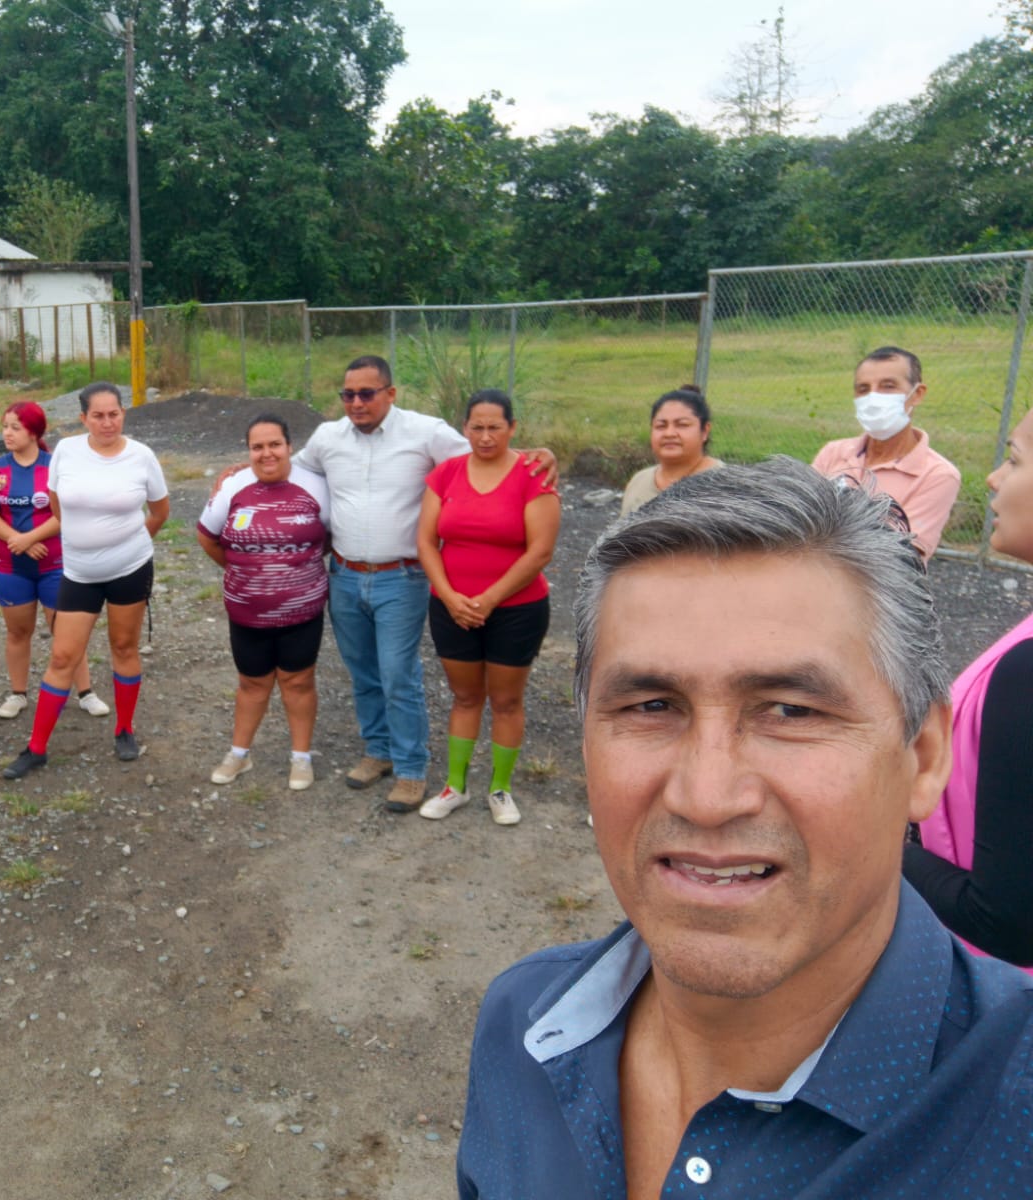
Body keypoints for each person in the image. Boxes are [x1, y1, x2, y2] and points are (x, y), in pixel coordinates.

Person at [455, 459, 1033, 1199]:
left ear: (922, 757)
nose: (707, 797)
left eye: (791, 710)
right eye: (651, 707)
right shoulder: (521, 1024)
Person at [283, 354, 555, 813]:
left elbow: (486, 450)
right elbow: (292, 467)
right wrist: (238, 474)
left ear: (391, 393)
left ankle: (411, 769)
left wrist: (540, 454)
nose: (356, 402)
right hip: (345, 575)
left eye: (366, 393)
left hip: (401, 576)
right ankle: (378, 751)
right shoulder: (328, 437)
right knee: (362, 671)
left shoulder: (426, 433)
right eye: (348, 394)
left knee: (397, 674)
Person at [903, 405, 1033, 968]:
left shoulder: (1027, 669)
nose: (994, 479)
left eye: (1015, 461)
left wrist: (882, 838)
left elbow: (1004, 921)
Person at [2, 382, 170, 779]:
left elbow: (160, 511)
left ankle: (124, 729)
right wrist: (85, 540)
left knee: (123, 646)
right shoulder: (67, 450)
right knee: (63, 656)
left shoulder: (141, 456)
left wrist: (129, 544)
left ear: (123, 414)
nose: (107, 422)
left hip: (130, 569)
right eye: (98, 415)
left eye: (114, 414)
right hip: (78, 573)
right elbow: (57, 503)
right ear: (83, 418)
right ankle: (36, 748)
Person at [416, 391, 559, 824]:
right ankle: (455, 786)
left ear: (512, 428)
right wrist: (449, 596)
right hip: (452, 608)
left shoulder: (533, 475)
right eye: (476, 427)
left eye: (495, 427)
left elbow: (540, 551)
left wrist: (489, 600)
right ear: (464, 428)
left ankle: (500, 789)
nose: (485, 436)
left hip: (516, 610)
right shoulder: (446, 474)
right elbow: (426, 542)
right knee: (464, 697)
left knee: (506, 700)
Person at [196, 413, 331, 792]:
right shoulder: (234, 486)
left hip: (302, 611)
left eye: (275, 444)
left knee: (298, 681)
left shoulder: (316, 486)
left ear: (290, 446)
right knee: (251, 683)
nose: (267, 453)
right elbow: (207, 537)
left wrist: (293, 571)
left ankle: (301, 758)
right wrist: (246, 572)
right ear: (248, 451)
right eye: (257, 447)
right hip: (246, 612)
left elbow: (331, 538)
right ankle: (239, 754)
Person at [0, 401, 108, 721]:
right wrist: (18, 541)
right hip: (10, 566)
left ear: (34, 432)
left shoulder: (55, 465)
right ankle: (17, 694)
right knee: (17, 632)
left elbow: (66, 512)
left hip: (55, 565)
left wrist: (30, 538)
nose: (7, 433)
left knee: (66, 633)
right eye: (4, 426)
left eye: (15, 427)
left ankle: (86, 693)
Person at [811, 345, 961, 560]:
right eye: (863, 389)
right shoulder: (833, 453)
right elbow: (799, 520)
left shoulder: (937, 475)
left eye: (888, 386)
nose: (873, 398)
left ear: (917, 394)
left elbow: (901, 556)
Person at [619, 386, 722, 516]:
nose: (669, 433)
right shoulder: (639, 481)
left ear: (705, 431)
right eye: (661, 426)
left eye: (682, 425)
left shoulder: (723, 486)